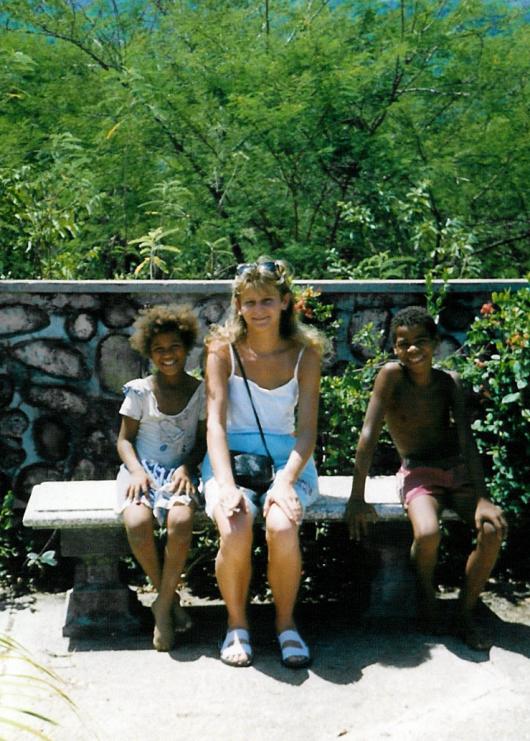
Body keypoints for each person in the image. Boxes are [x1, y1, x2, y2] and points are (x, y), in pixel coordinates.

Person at [346, 305, 507, 650]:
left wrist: (482, 497)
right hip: (417, 473)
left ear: (436, 342)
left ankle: (464, 613)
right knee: (428, 533)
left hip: (456, 472)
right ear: (395, 348)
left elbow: (466, 440)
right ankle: (427, 598)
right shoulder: (391, 376)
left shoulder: (448, 383)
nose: (413, 350)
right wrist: (356, 497)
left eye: (421, 341)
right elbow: (368, 436)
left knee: (492, 529)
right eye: (405, 344)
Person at [202, 258, 327, 668]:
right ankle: (237, 625)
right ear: (238, 304)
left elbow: (307, 430)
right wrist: (226, 485)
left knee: (282, 525)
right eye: (250, 301)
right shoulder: (222, 351)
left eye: (268, 301)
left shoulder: (306, 354)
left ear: (286, 302)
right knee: (236, 525)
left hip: (286, 460)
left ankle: (286, 624)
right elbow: (216, 425)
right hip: (230, 459)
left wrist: (286, 481)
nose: (258, 310)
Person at [116, 304, 206, 651]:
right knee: (137, 522)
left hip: (179, 473)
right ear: (149, 353)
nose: (167, 355)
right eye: (159, 350)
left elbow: (200, 442)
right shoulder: (140, 391)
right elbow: (124, 440)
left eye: (174, 347)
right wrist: (137, 471)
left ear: (186, 346)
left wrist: (187, 468)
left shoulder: (199, 392)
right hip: (141, 471)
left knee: (181, 522)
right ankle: (167, 603)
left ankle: (161, 605)